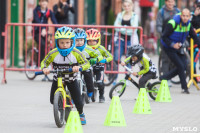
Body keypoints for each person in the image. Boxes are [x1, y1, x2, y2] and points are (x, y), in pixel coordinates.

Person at [40, 26, 90, 125]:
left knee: (78, 101)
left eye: (67, 42)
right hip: (57, 78)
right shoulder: (53, 53)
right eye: (62, 43)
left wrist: (79, 67)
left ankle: (81, 114)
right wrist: (44, 68)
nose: (64, 45)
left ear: (72, 42)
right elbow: (44, 62)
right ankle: (61, 108)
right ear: (57, 42)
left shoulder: (76, 53)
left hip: (71, 79)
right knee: (52, 100)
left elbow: (86, 63)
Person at [160, 8, 200, 94]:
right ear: (181, 15)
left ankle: (164, 77)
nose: (185, 18)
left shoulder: (189, 24)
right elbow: (164, 37)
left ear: (189, 17)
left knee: (184, 66)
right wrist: (172, 44)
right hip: (168, 47)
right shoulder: (173, 23)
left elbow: (194, 37)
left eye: (187, 16)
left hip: (179, 47)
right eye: (183, 16)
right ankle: (184, 88)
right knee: (181, 66)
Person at [74, 28, 103, 102]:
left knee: (88, 76)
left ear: (84, 40)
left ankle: (90, 90)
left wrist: (96, 59)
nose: (79, 42)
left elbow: (99, 55)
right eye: (77, 40)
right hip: (75, 67)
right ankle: (72, 96)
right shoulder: (72, 49)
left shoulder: (88, 49)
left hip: (86, 66)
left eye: (81, 40)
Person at [156, 0, 180, 86]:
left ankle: (172, 75)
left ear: (174, 2)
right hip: (166, 39)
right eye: (168, 2)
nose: (170, 3)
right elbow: (158, 25)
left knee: (175, 59)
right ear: (166, 2)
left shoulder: (177, 12)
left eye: (172, 2)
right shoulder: (161, 12)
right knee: (165, 59)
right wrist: (162, 34)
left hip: (176, 38)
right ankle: (166, 79)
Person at [85, 29, 113, 103]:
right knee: (86, 81)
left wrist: (105, 60)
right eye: (89, 41)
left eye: (94, 40)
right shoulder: (85, 48)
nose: (91, 43)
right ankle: (87, 95)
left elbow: (110, 56)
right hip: (88, 68)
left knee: (100, 83)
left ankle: (101, 95)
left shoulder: (101, 48)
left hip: (98, 68)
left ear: (98, 40)